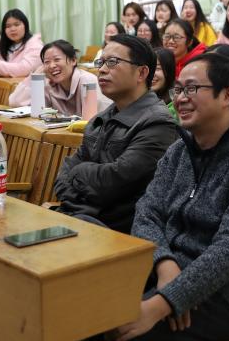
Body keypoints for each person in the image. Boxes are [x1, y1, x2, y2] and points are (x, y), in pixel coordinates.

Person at [67, 53, 229, 341]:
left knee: (123, 326)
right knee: (93, 304)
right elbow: (147, 212)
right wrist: (165, 265)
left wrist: (162, 304)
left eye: (192, 89)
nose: (180, 98)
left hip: (220, 294)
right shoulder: (179, 152)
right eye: (178, 89)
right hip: (161, 271)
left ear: (227, 95)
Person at [53, 36, 178, 232]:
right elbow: (63, 175)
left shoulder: (158, 124)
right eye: (101, 62)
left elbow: (114, 182)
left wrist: (78, 172)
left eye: (112, 62)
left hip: (116, 232)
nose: (102, 69)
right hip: (79, 217)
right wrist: (76, 191)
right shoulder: (100, 119)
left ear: (142, 73)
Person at [8, 40, 99, 116]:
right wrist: (36, 75)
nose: (52, 65)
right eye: (47, 62)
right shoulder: (49, 84)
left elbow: (98, 120)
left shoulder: (88, 81)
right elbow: (15, 102)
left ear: (73, 60)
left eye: (57, 59)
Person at [0, 9, 43, 77]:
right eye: (8, 26)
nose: (12, 29)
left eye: (16, 25)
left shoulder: (35, 45)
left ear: (25, 25)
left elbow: (25, 69)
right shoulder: (5, 46)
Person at [151, 48, 177, 121]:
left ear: (169, 70)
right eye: (148, 68)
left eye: (157, 68)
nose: (151, 74)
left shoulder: (178, 101)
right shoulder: (137, 97)